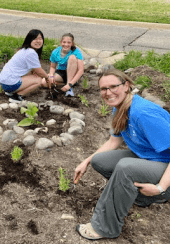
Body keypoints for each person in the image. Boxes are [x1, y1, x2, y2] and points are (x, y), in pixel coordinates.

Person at [73, 69, 170, 240]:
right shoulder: (120, 108)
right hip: (149, 159)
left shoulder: (143, 113)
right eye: (103, 89)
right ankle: (142, 197)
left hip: (164, 167)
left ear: (126, 86)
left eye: (113, 86)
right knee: (100, 160)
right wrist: (86, 161)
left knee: (125, 168)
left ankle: (105, 227)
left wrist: (160, 187)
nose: (108, 93)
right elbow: (113, 142)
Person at [0, 29, 52, 103]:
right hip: (10, 84)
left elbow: (34, 70)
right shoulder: (31, 52)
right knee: (38, 80)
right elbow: (39, 71)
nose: (38, 41)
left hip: (4, 82)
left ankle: (10, 92)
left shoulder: (24, 50)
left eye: (40, 39)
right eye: (35, 39)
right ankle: (17, 96)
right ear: (29, 40)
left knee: (33, 75)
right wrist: (47, 77)